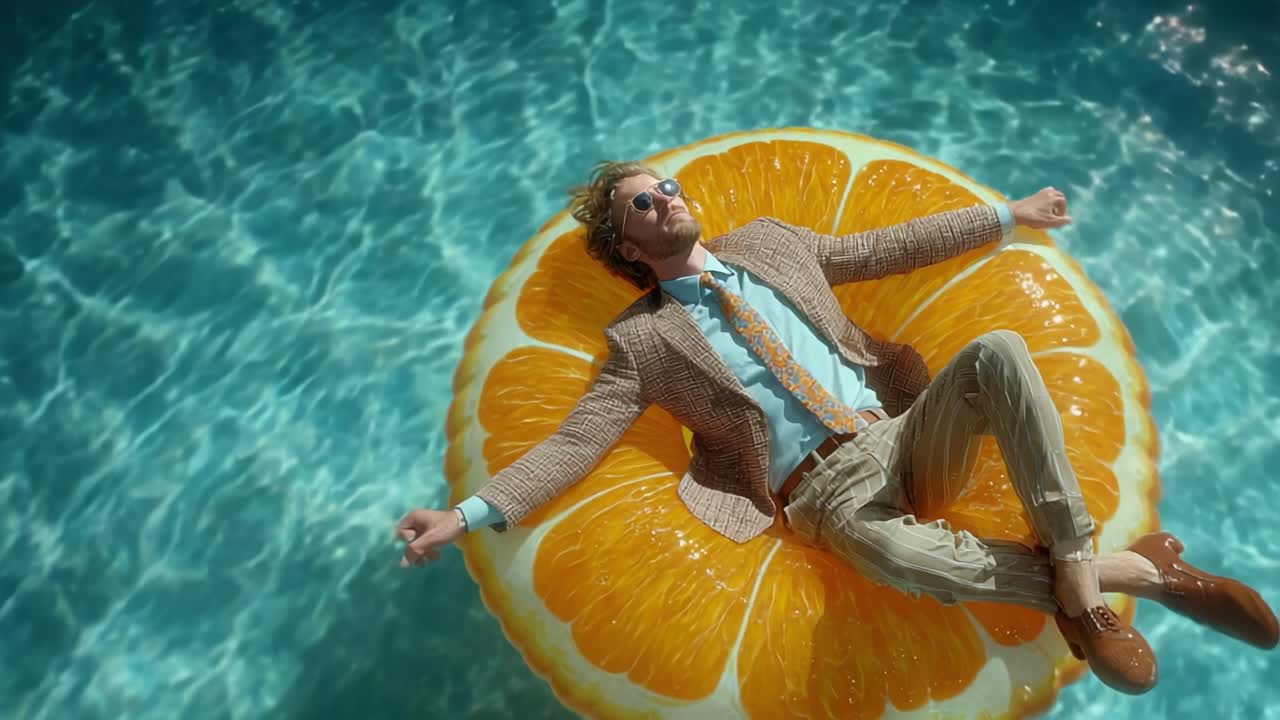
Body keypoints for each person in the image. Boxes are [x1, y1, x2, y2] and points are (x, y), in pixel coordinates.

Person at [394, 160, 1278, 695]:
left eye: (665, 188)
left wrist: (1006, 216)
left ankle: (1080, 582)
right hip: (822, 497)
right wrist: (463, 517)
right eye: (642, 205)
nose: (665, 200)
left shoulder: (771, 243)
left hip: (899, 430)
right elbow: (575, 443)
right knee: (897, 554)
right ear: (629, 248)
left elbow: (884, 248)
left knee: (999, 351)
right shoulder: (640, 342)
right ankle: (1143, 576)